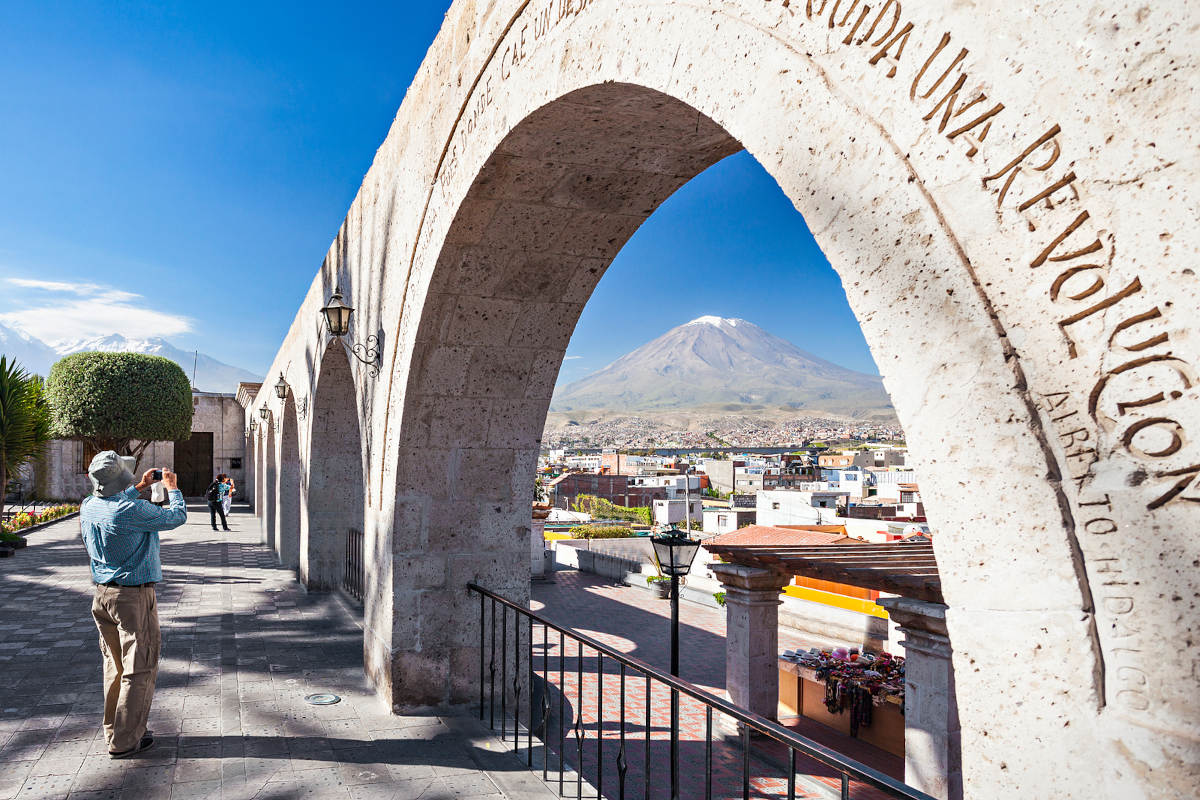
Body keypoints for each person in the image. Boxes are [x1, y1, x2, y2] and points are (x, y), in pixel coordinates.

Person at [80, 451, 186, 759]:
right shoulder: (131, 510)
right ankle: (125, 741)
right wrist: (173, 488)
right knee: (140, 667)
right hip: (132, 598)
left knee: (115, 666)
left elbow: (115, 501)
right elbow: (176, 517)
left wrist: (138, 487)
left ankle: (115, 730)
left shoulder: (90, 505)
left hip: (103, 596)